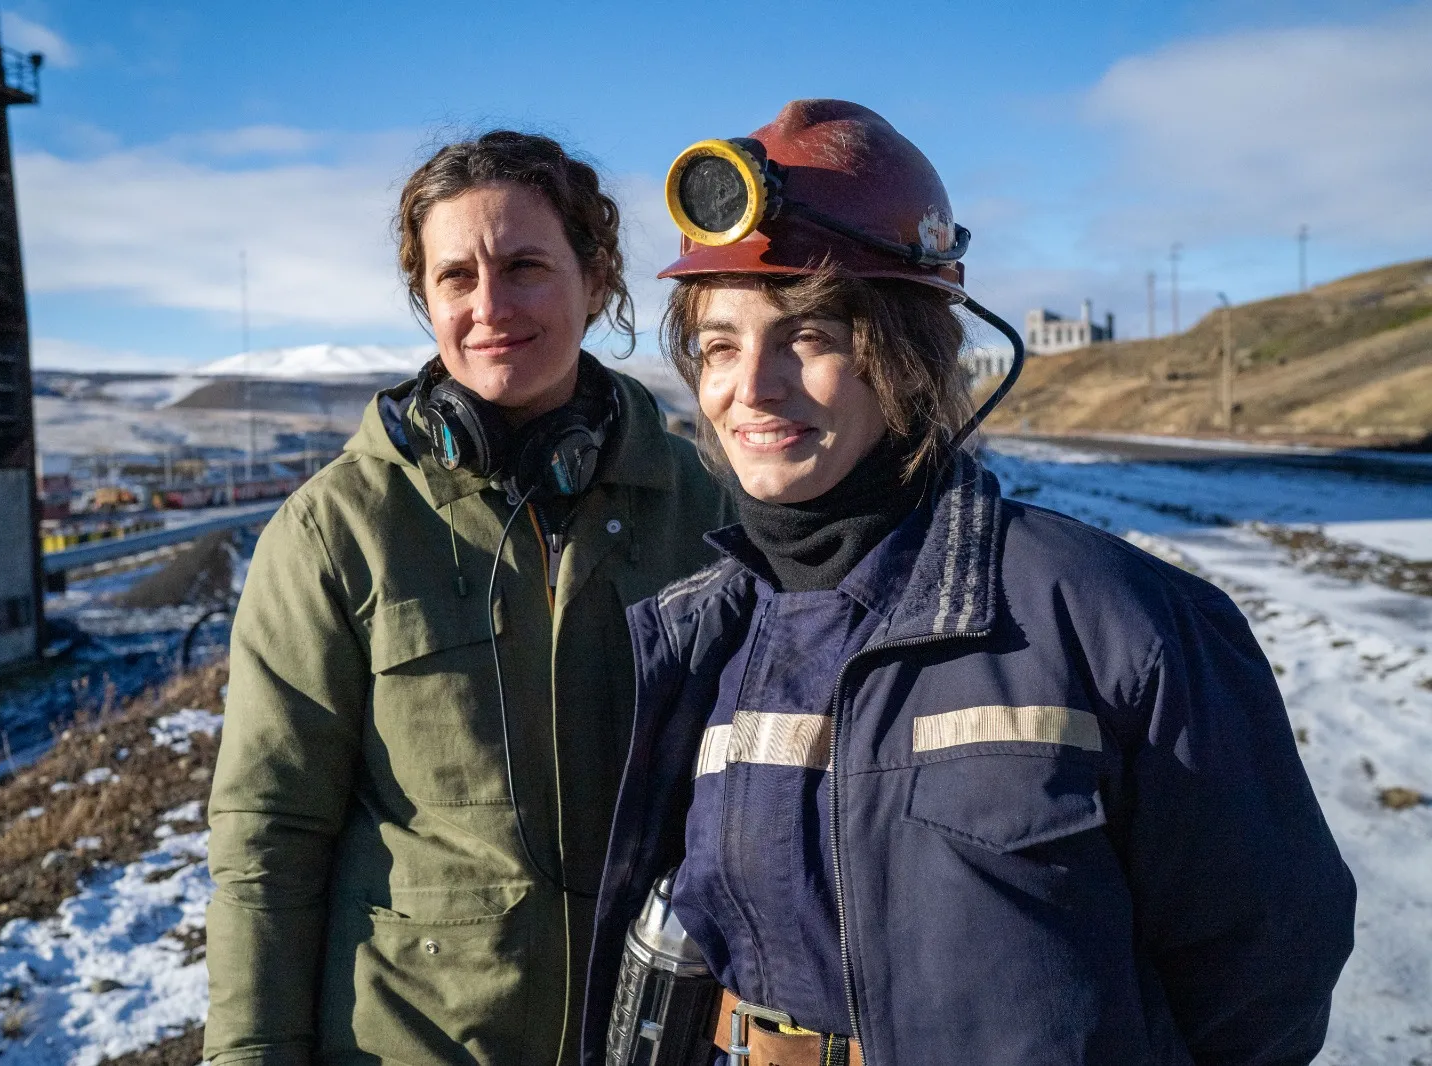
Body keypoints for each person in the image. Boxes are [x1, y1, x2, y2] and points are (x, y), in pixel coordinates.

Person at [582, 100, 1355, 1066]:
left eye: (810, 335)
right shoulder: (706, 640)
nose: (753, 386)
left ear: (908, 352)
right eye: (721, 344)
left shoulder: (1111, 623)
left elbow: (1263, 979)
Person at [205, 130, 732, 1066]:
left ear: (598, 277)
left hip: (652, 1037)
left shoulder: (703, 510)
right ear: (426, 300)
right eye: (456, 278)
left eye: (525, 266)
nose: (489, 307)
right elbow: (267, 840)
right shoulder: (340, 530)